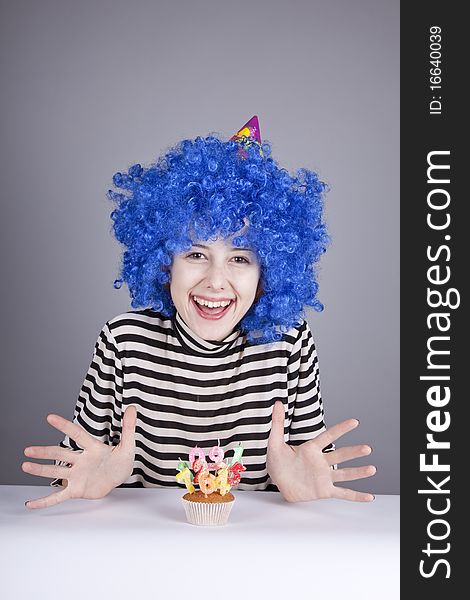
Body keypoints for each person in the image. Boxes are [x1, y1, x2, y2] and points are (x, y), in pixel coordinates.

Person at [22, 116, 376, 509]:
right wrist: (92, 481)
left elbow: (309, 469)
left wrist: (301, 492)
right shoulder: (123, 342)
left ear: (268, 273)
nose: (216, 281)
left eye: (240, 258)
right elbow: (69, 472)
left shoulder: (289, 343)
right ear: (163, 262)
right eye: (195, 254)